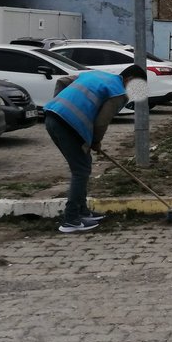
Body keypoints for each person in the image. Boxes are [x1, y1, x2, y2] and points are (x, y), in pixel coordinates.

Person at [44, 64, 148, 233]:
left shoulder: (96, 75)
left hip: (52, 116)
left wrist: (60, 106)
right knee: (81, 170)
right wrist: (96, 141)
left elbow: (62, 81)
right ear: (129, 80)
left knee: (83, 165)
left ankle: (82, 211)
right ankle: (70, 220)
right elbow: (101, 121)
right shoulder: (119, 93)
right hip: (68, 125)